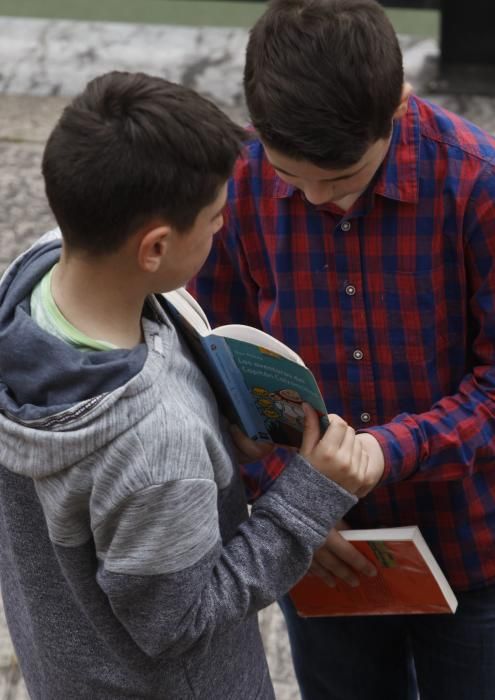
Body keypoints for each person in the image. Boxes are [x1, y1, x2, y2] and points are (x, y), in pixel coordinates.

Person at [0, 70, 378, 699]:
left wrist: (221, 431)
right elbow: (180, 620)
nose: (223, 228)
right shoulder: (158, 443)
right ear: (154, 248)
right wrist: (312, 495)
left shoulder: (29, 277)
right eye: (215, 217)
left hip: (64, 667)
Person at [188, 1, 495, 699]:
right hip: (320, 548)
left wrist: (388, 450)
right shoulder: (238, 183)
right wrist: (286, 503)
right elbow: (212, 360)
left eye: (343, 179)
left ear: (397, 103)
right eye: (294, 179)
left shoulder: (478, 186)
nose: (318, 198)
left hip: (470, 548)